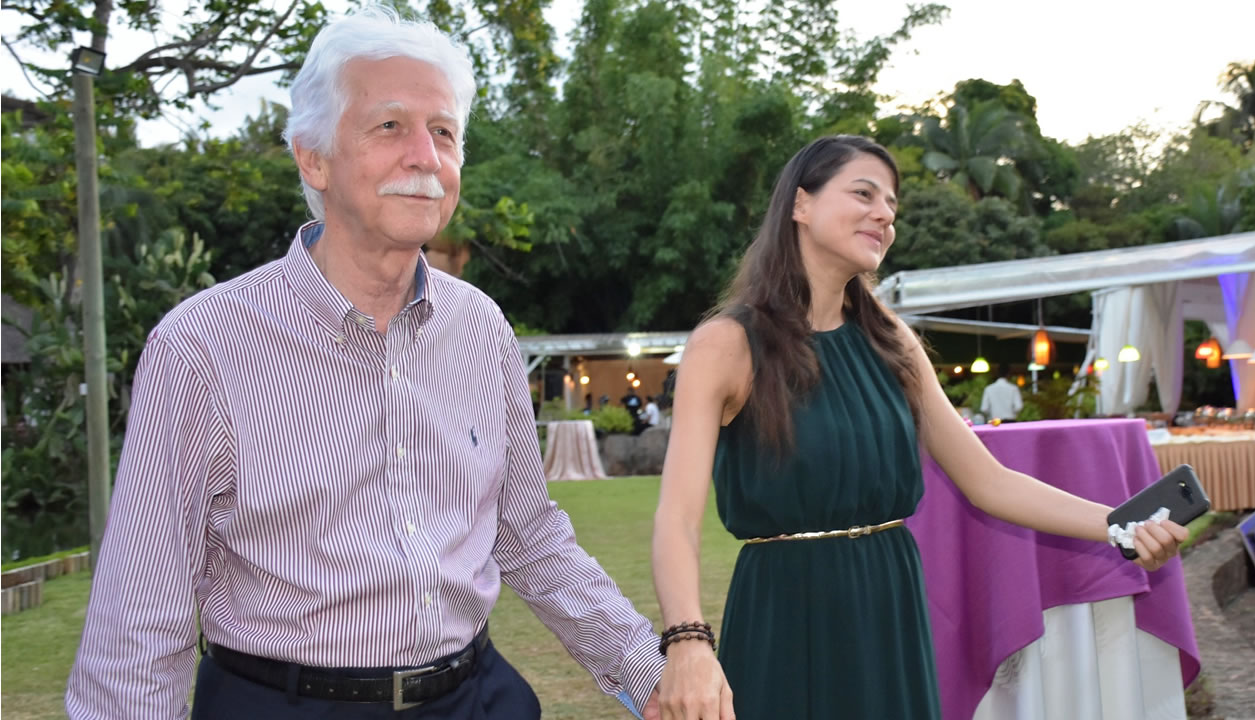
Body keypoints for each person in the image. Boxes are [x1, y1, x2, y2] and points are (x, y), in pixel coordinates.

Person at [65, 7, 662, 719]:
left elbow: (529, 535)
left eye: (444, 132)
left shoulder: (481, 330)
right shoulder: (203, 349)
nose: (425, 156)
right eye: (389, 125)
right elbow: (139, 620)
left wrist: (650, 674)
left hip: (475, 696)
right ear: (312, 157)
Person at [650, 135, 1187, 720]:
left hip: (892, 611)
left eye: (891, 204)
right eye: (864, 194)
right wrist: (687, 642)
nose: (884, 214)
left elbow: (989, 481)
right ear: (800, 204)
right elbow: (678, 518)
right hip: (785, 616)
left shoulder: (891, 341)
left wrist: (1119, 525)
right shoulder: (725, 344)